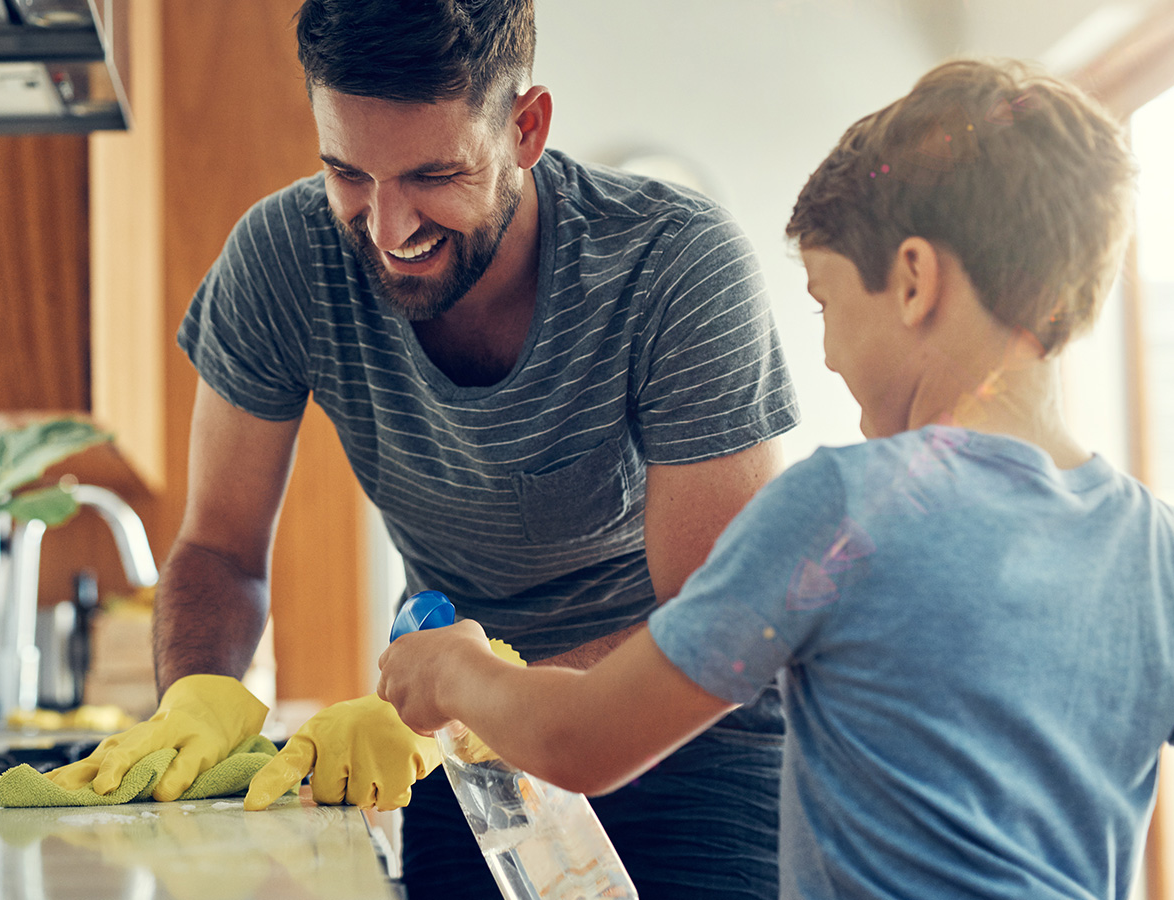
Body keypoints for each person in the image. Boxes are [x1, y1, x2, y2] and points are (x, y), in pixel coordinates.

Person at [46, 1, 798, 897]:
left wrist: (475, 693)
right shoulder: (282, 262)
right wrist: (195, 696)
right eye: (347, 172)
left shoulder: (675, 267)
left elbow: (712, 626)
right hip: (456, 759)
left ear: (526, 128)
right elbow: (217, 548)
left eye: (433, 175)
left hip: (687, 754)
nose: (388, 228)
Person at [378, 56, 1173, 900]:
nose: (826, 357)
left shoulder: (844, 510)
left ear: (913, 280)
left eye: (826, 302)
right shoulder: (1153, 548)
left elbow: (586, 742)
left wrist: (456, 669)